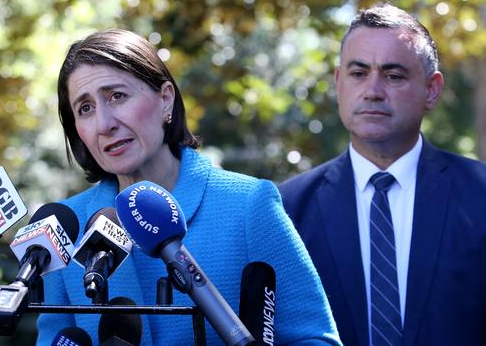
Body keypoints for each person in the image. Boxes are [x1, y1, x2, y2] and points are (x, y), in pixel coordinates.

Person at [36, 29, 342, 345]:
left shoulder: (248, 204)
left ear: (165, 100)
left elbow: (314, 338)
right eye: (85, 108)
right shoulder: (65, 229)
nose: (104, 124)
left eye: (117, 96)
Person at [279, 3, 486, 346]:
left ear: (431, 90)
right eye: (358, 73)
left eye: (393, 75)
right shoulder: (289, 206)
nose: (373, 90)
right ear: (338, 82)